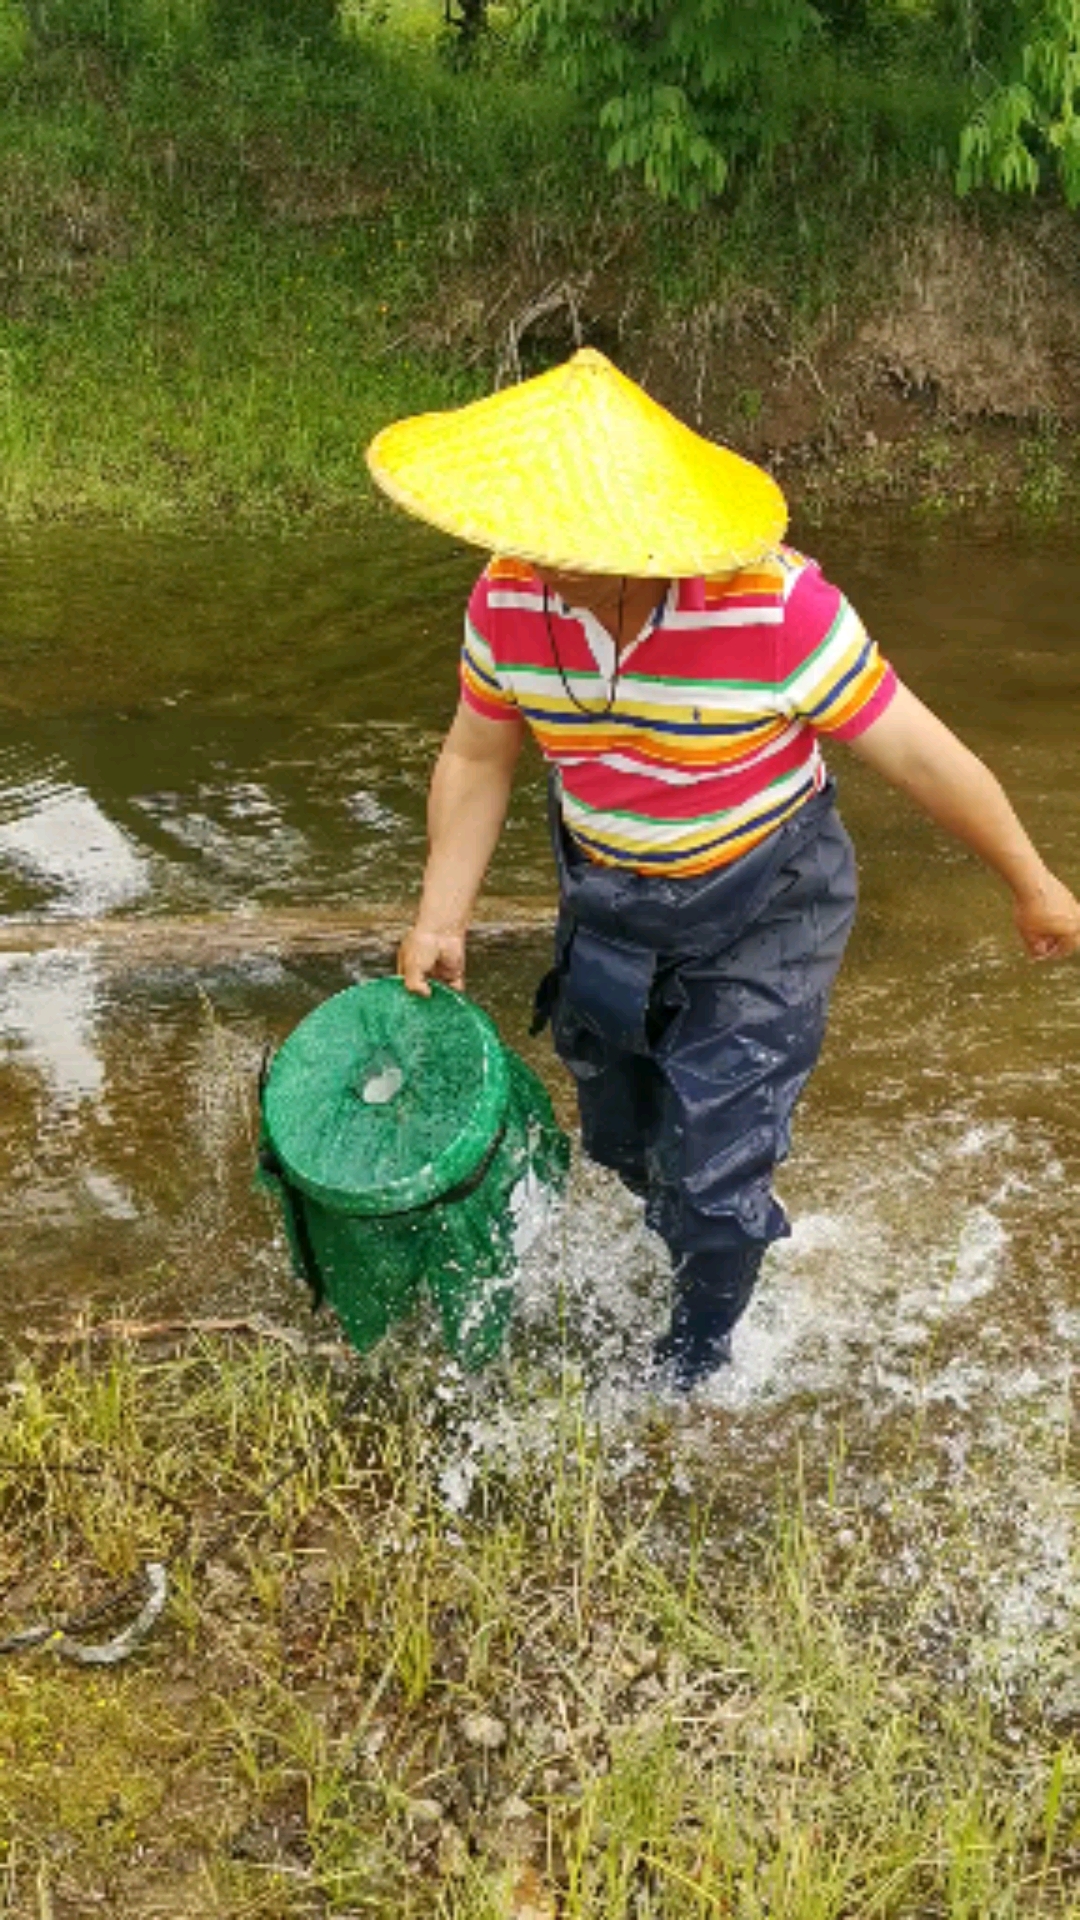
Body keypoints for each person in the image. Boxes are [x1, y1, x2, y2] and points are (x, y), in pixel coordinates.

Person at [366, 348, 1080, 1391]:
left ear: (636, 530)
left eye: (560, 532)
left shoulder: (775, 610)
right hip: (610, 895)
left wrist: (1031, 880)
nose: (528, 549)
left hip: (766, 900)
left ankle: (694, 1370)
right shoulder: (509, 598)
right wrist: (442, 913)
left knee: (712, 1168)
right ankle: (716, 1242)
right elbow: (478, 753)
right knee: (622, 1137)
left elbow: (923, 753)